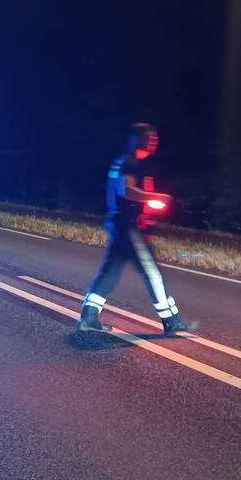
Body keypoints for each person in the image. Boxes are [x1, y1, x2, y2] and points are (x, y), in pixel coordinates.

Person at [77, 123, 198, 335]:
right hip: (129, 228)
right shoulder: (130, 163)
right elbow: (127, 191)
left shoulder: (129, 163)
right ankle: (172, 321)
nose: (153, 141)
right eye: (148, 138)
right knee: (152, 273)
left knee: (110, 273)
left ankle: (88, 318)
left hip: (122, 225)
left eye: (155, 138)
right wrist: (157, 197)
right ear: (135, 139)